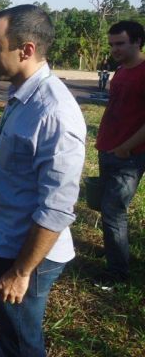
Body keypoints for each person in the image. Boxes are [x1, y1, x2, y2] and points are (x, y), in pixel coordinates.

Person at [0, 5, 86, 356]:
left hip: (26, 255)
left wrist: (22, 272)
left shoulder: (55, 113)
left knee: (19, 343)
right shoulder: (22, 94)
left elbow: (56, 208)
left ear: (26, 51)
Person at [95, 20, 145, 285]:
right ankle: (116, 254)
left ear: (137, 41)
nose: (114, 49)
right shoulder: (121, 70)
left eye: (120, 43)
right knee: (106, 208)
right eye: (112, 44)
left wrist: (126, 148)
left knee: (114, 211)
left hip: (129, 155)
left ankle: (117, 274)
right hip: (108, 148)